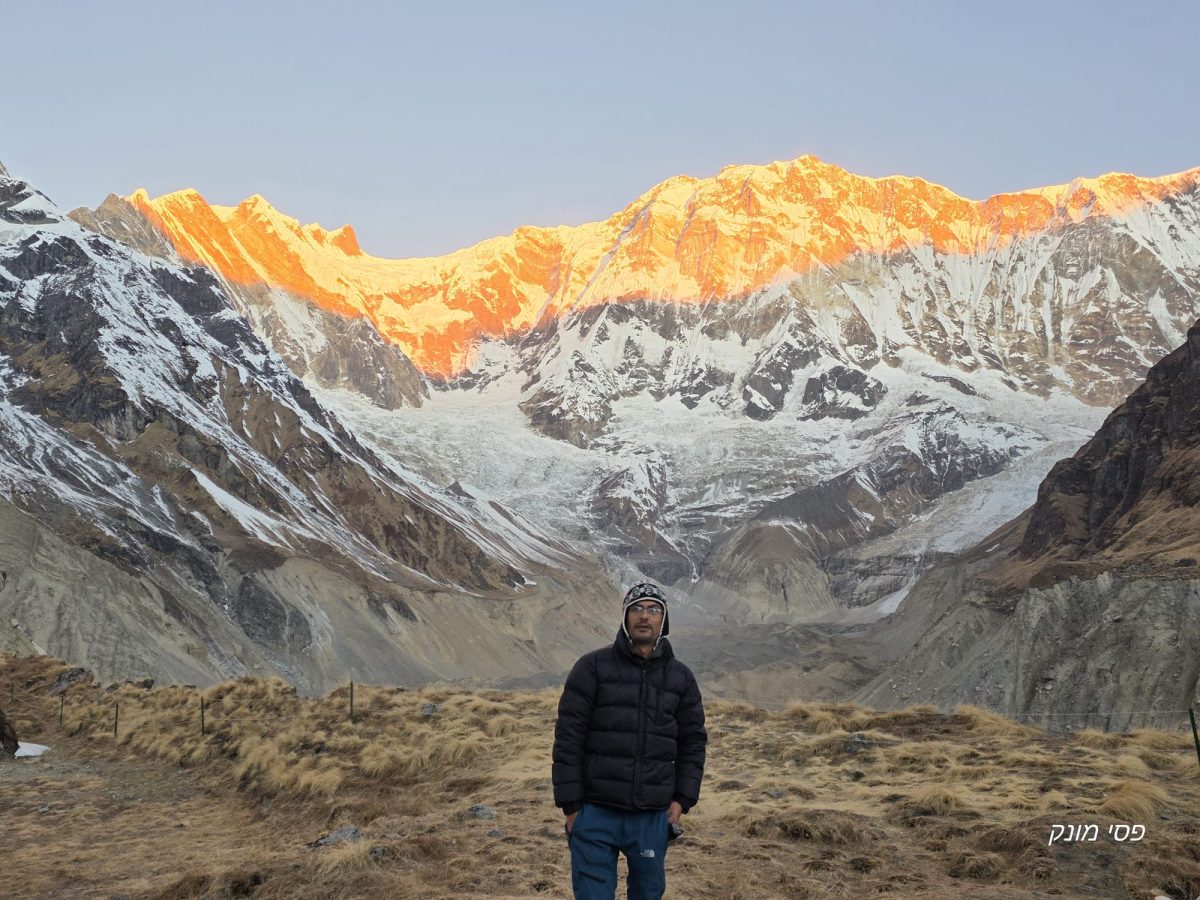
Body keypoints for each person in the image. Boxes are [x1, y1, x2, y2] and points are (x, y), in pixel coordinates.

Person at [552, 582, 707, 900]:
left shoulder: (681, 678)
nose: (644, 616)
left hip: (651, 815)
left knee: (648, 894)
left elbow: (693, 743)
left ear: (664, 620)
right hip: (594, 812)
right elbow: (568, 738)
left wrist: (682, 800)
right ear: (624, 617)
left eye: (654, 609)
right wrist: (572, 808)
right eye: (636, 608)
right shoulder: (592, 668)